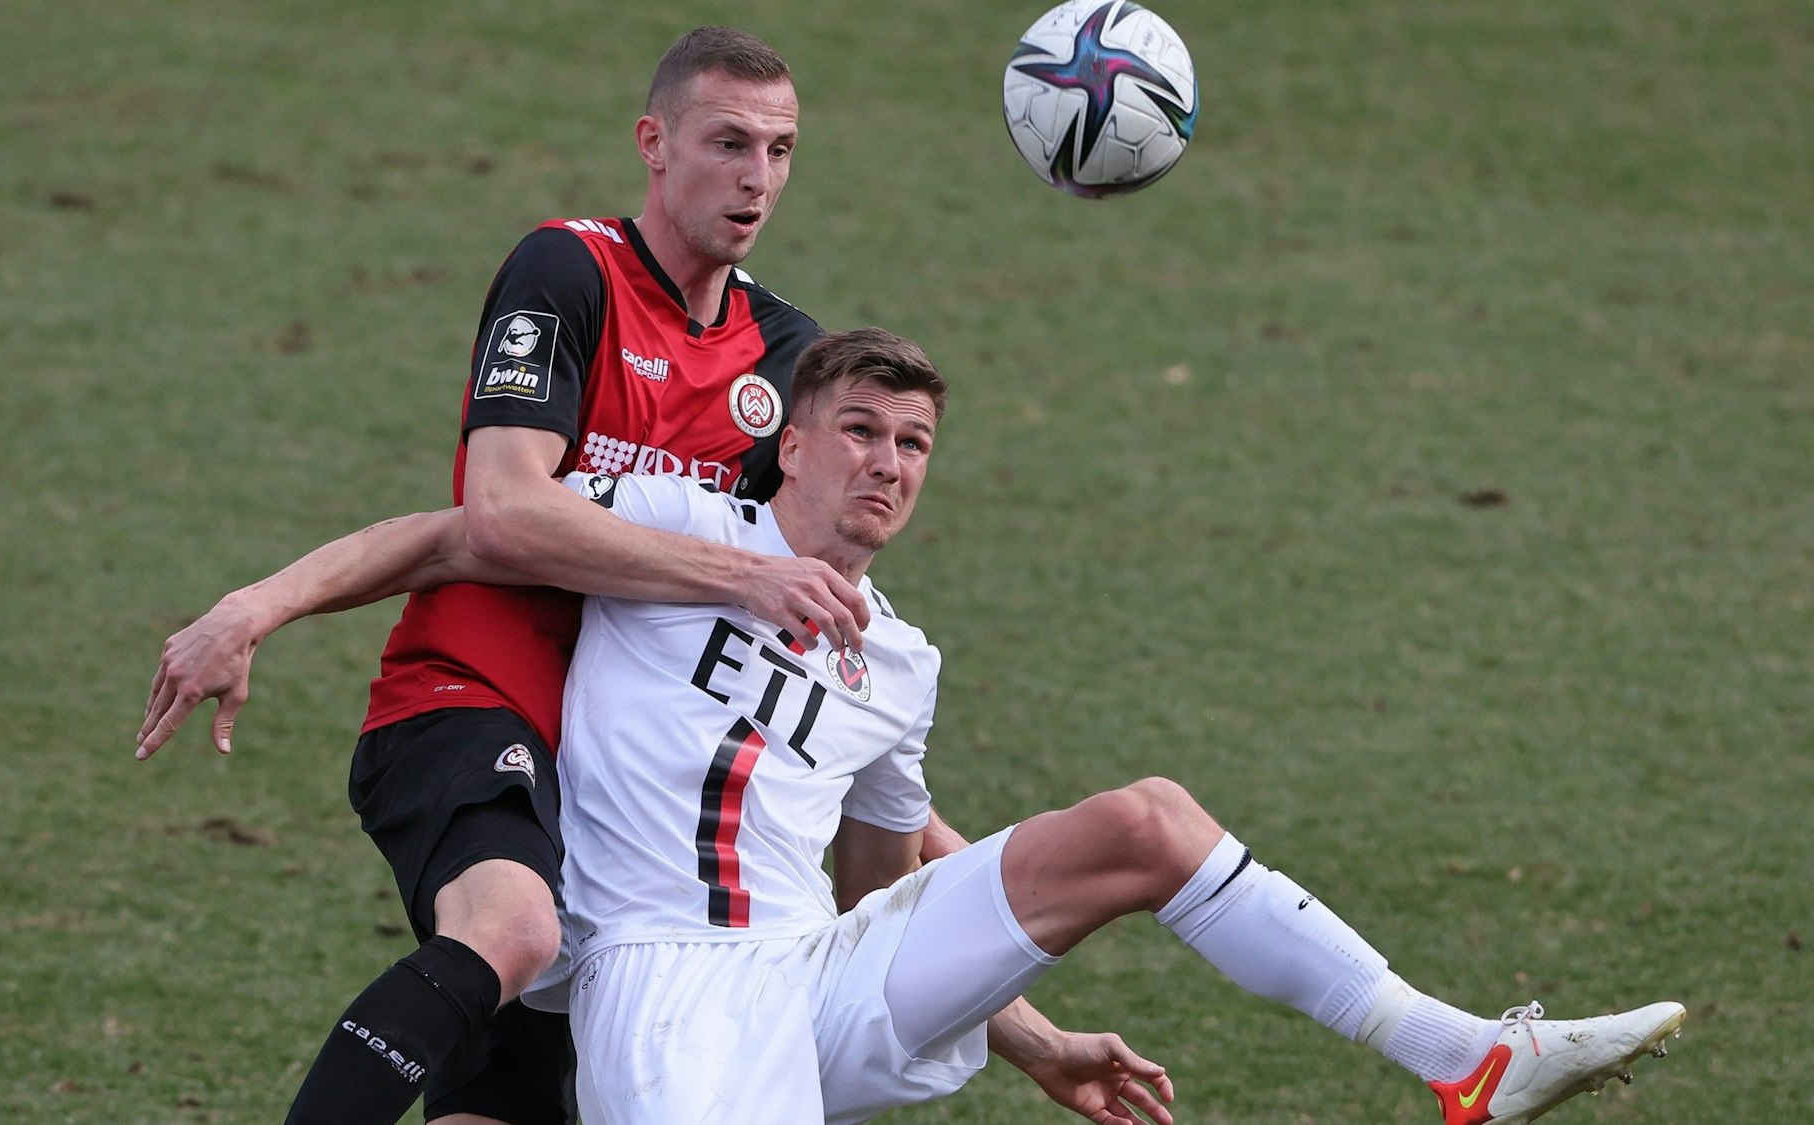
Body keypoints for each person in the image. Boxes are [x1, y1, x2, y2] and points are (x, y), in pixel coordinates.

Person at [225, 328, 1686, 1125]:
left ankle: (1460, 1055)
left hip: (820, 970)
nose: (888, 463)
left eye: (914, 443)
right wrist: (254, 609)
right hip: (666, 984)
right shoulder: (671, 523)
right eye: (861, 430)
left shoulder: (898, 661)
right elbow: (462, 533)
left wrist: (1033, 1038)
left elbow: (885, 883)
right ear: (792, 440)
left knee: (1147, 822)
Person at [139, 29, 1120, 1125]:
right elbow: (497, 514)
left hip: (621, 783)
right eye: (728, 143)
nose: (757, 179)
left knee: (500, 1099)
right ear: (653, 143)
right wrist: (254, 605)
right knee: (513, 929)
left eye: (780, 150)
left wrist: (1035, 1034)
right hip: (472, 698)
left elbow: (849, 755)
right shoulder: (571, 271)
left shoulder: (784, 356)